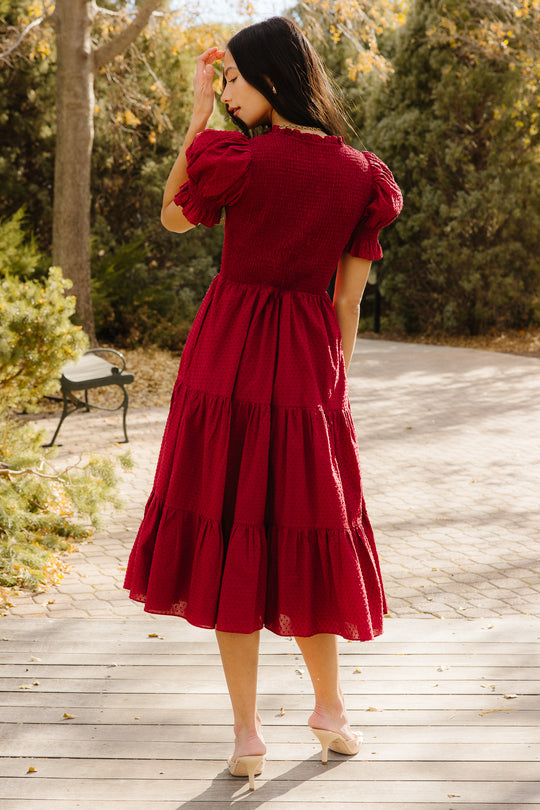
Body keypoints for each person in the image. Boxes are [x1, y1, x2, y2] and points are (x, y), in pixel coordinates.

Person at [124, 16, 402, 791]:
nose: (229, 95)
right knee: (311, 524)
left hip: (227, 359)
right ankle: (330, 710)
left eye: (236, 82)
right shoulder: (361, 174)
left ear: (272, 80)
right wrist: (334, 379)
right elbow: (348, 299)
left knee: (227, 531)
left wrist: (193, 120)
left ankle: (247, 734)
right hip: (306, 366)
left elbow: (174, 215)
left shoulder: (235, 159)